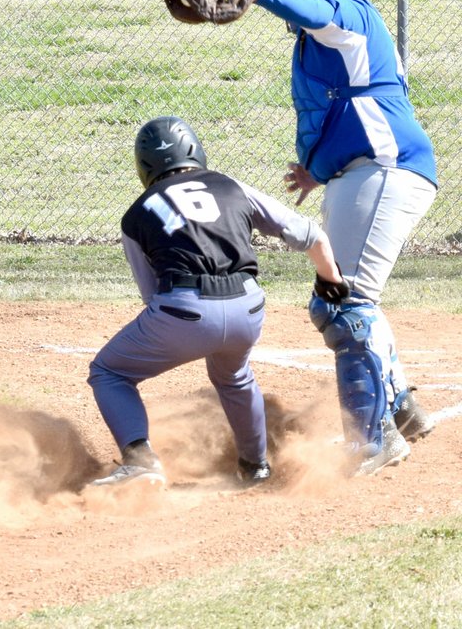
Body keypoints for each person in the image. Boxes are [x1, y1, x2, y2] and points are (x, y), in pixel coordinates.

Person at [247, 0, 438, 475]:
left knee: (342, 303)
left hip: (385, 169)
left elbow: (317, 10)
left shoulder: (347, 11)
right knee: (349, 300)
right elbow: (349, 108)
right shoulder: (315, 43)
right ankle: (399, 408)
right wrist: (318, 167)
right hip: (365, 172)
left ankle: (372, 439)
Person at [88, 115, 350, 487]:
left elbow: (152, 296)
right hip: (248, 307)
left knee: (109, 372)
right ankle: (255, 466)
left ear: (142, 166)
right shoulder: (230, 186)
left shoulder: (136, 215)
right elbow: (310, 236)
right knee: (234, 376)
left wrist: (187, 327)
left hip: (184, 312)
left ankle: (140, 460)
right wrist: (331, 281)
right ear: (196, 151)